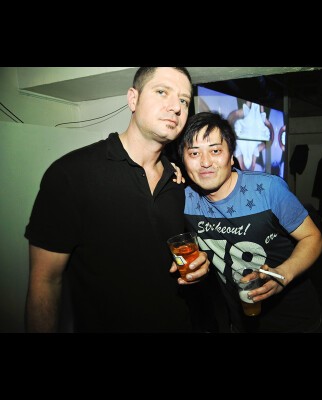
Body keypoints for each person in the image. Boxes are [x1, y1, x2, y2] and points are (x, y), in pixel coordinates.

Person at [24, 67, 211, 333]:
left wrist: (198, 266)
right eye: (162, 92)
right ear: (133, 99)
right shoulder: (72, 174)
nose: (175, 107)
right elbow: (46, 281)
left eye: (183, 100)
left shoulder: (179, 182)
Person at [177, 112, 322, 333]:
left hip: (297, 322)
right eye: (194, 153)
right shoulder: (183, 199)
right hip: (241, 323)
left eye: (215, 151)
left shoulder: (268, 190)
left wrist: (282, 275)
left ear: (231, 157)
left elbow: (314, 238)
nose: (205, 162)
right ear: (183, 161)